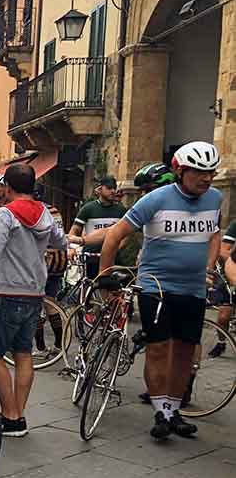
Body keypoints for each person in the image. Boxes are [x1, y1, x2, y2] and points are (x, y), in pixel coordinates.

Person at [100, 141, 221, 441]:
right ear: (180, 171)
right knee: (158, 348)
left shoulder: (215, 198)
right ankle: (160, 412)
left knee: (184, 351)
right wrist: (105, 276)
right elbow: (115, 235)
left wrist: (208, 267)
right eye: (199, 173)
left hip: (193, 289)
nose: (206, 179)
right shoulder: (155, 199)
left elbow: (215, 232)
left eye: (210, 173)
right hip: (157, 286)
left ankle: (173, 410)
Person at [0, 164, 67, 437]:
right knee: (23, 353)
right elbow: (61, 241)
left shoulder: (5, 214)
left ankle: (9, 416)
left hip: (5, 292)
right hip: (34, 293)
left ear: (7, 186)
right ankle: (18, 414)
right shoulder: (45, 212)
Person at [69, 176, 126, 278]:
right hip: (91, 257)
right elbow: (75, 230)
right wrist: (72, 248)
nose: (113, 191)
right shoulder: (88, 209)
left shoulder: (121, 210)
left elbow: (126, 234)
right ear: (100, 189)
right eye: (109, 188)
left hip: (113, 258)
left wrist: (116, 248)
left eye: (114, 188)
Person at [34, 184, 67, 359]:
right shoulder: (54, 210)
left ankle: (40, 347)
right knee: (50, 303)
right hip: (59, 261)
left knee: (37, 304)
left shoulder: (37, 211)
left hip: (44, 261)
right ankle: (58, 344)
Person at [209, 215, 236, 357]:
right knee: (224, 316)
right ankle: (221, 343)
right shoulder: (235, 225)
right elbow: (224, 250)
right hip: (232, 269)